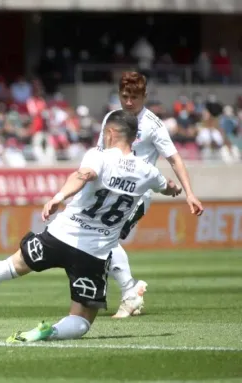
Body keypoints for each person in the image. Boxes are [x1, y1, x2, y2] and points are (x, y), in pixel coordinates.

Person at [0, 110, 182, 343]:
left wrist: (58, 197)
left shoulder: (98, 156)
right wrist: (174, 188)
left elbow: (83, 175)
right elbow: (168, 186)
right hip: (94, 254)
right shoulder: (148, 171)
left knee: (11, 265)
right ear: (135, 138)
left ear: (110, 132)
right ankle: (47, 332)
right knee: (82, 321)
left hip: (59, 236)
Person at [98, 72, 204, 318]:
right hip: (110, 193)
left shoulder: (153, 125)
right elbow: (100, 154)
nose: (128, 102)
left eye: (134, 97)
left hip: (137, 196)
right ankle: (129, 291)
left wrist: (189, 193)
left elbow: (174, 158)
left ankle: (129, 295)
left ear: (144, 96)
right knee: (99, 239)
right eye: (125, 96)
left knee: (105, 237)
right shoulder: (111, 119)